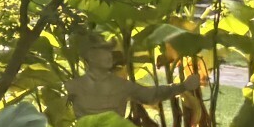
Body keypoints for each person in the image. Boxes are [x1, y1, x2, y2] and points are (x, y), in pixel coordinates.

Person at [65, 38, 200, 120]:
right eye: (102, 52)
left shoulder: (121, 85)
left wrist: (182, 86)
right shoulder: (72, 87)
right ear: (90, 56)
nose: (109, 56)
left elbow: (150, 95)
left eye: (109, 52)